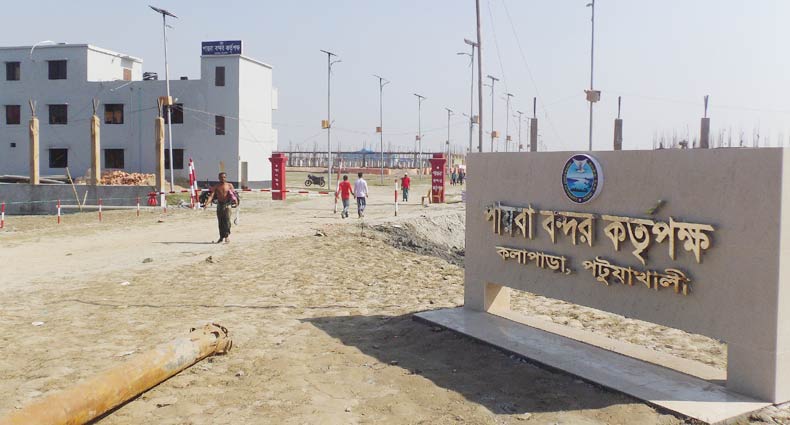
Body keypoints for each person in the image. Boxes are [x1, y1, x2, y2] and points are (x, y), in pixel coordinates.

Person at [204, 172, 238, 243]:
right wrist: (207, 203)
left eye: (224, 177)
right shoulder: (216, 186)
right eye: (221, 177)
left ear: (226, 177)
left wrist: (236, 201)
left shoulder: (229, 185)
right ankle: (221, 237)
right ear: (219, 178)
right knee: (220, 221)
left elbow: (234, 195)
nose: (223, 178)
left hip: (227, 205)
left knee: (227, 221)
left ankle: (227, 236)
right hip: (220, 205)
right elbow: (211, 195)